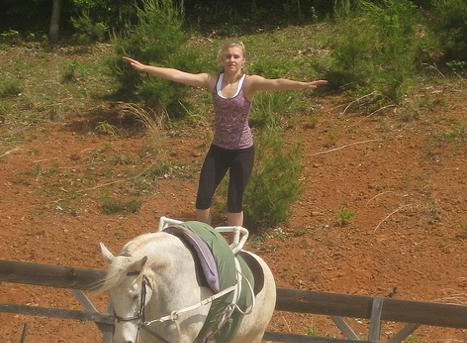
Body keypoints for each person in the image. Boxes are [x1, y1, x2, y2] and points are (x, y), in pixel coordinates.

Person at [124, 40, 327, 227]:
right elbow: (178, 75)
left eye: (236, 56)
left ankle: (234, 251)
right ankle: (204, 242)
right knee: (203, 198)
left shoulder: (249, 83)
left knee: (234, 202)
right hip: (219, 149)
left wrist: (303, 85)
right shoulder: (211, 81)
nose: (232, 60)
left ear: (243, 60)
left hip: (243, 151)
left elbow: (276, 83)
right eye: (228, 56)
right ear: (222, 59)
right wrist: (145, 68)